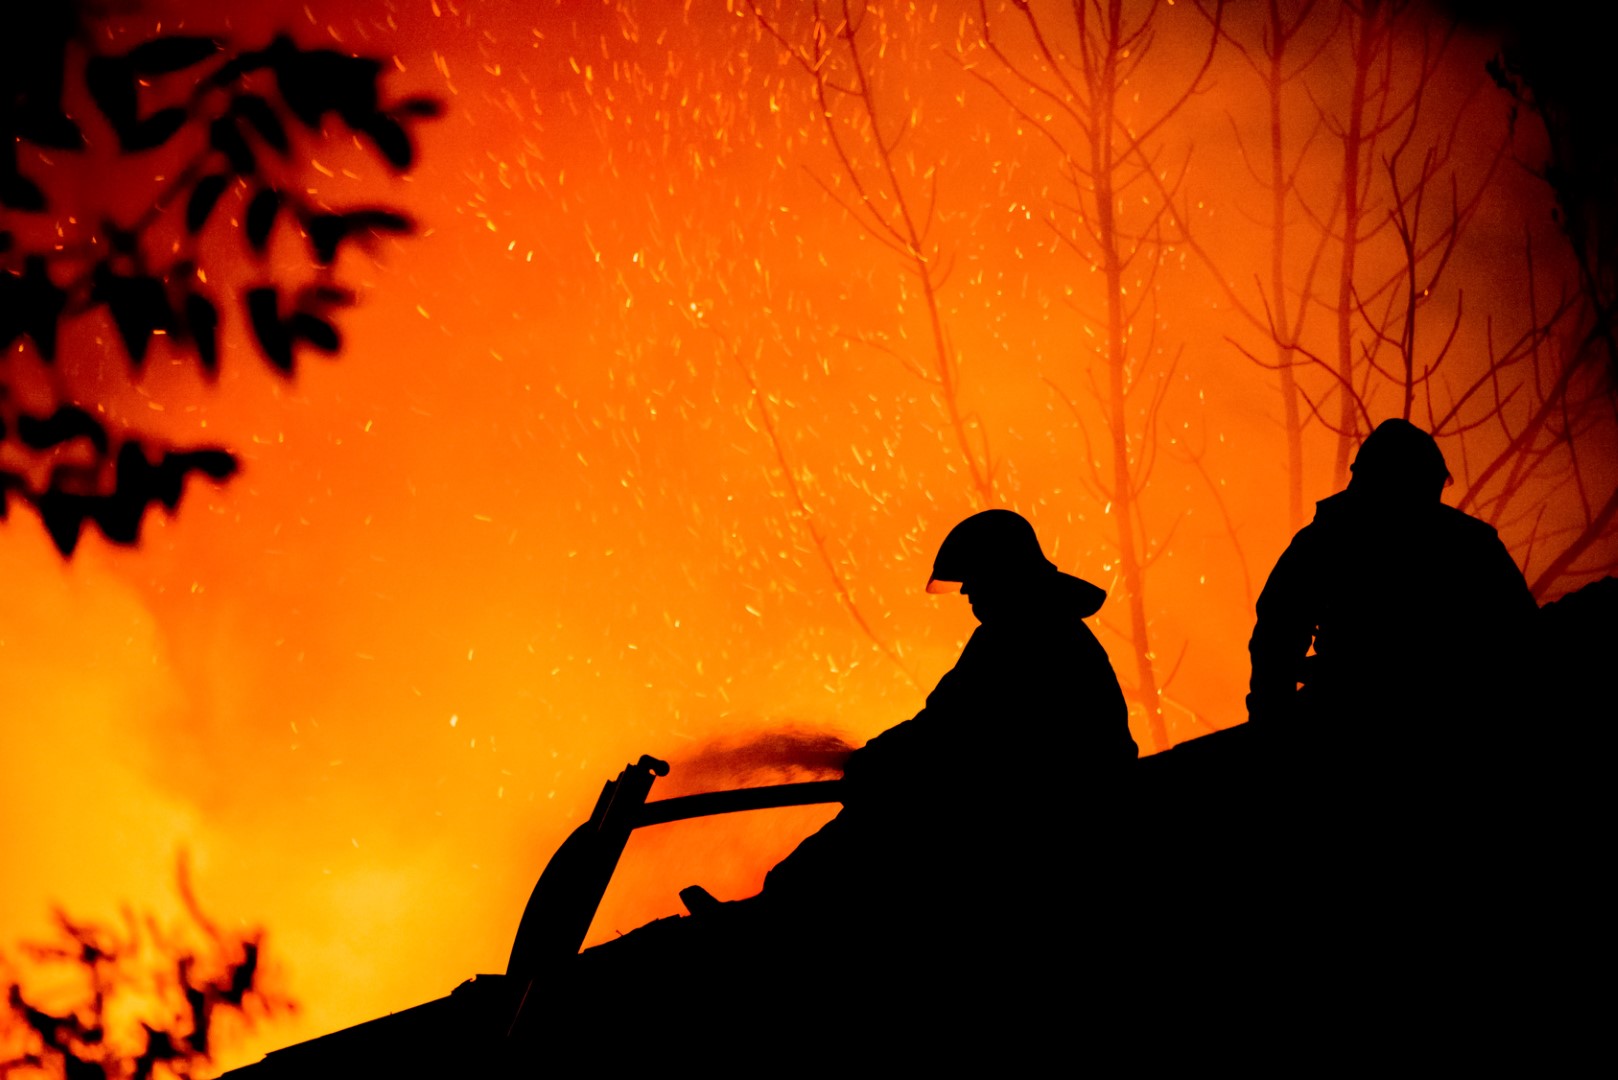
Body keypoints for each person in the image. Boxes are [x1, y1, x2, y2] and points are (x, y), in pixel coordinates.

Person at [762, 508, 1134, 913]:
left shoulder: (1021, 638)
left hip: (1043, 820)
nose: (968, 594)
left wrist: (877, 761)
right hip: (1048, 807)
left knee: (871, 833)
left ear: (1001, 575)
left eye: (973, 581)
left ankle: (767, 917)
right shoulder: (1047, 628)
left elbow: (949, 729)